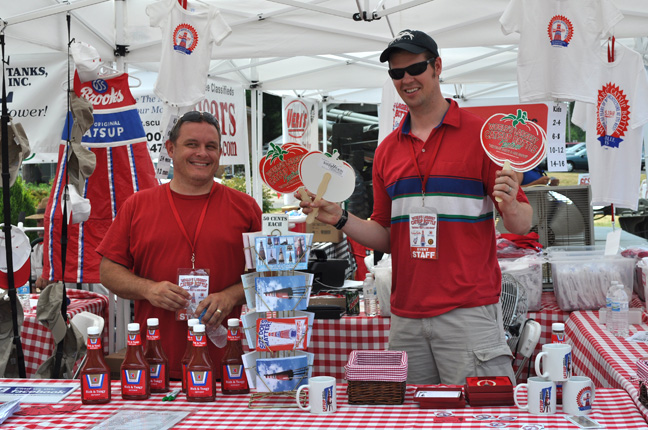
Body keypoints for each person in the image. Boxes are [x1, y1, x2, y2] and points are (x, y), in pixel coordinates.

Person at [296, 30, 533, 385]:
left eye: (416, 68)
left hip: (468, 311)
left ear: (437, 67)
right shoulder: (387, 150)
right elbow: (387, 236)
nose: (406, 79)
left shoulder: (482, 136)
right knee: (408, 419)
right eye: (396, 72)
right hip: (406, 316)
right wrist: (341, 218)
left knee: (480, 417)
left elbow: (522, 224)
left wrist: (512, 202)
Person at [97, 111, 262, 380]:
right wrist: (148, 289)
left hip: (225, 363)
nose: (202, 153)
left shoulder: (245, 207)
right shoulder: (137, 205)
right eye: (192, 144)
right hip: (153, 362)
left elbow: (266, 276)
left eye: (211, 147)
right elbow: (108, 271)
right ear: (171, 149)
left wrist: (231, 296)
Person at [25, 197, 49, 292]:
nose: (40, 226)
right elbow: (33, 284)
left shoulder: (64, 246)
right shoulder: (35, 248)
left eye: (44, 221)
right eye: (38, 221)